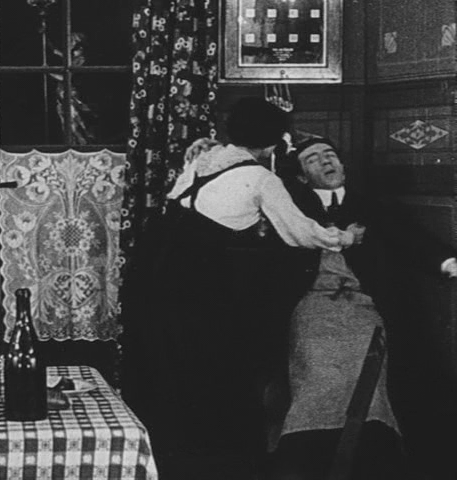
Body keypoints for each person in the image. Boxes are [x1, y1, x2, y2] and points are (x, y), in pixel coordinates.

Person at [119, 98, 354, 479]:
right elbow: (299, 233)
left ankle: (165, 454)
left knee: (166, 357)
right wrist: (343, 237)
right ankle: (212, 459)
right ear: (274, 141)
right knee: (209, 359)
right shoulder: (261, 178)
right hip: (194, 275)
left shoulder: (205, 158)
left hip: (154, 267)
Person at [266, 137, 457, 480]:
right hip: (312, 308)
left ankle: (371, 454)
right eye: (313, 159)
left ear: (343, 164)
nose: (326, 161)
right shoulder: (289, 208)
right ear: (302, 177)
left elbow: (410, 238)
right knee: (314, 364)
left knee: (367, 370)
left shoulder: (371, 206)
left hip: (363, 307)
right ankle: (305, 459)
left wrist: (447, 263)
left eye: (330, 155)